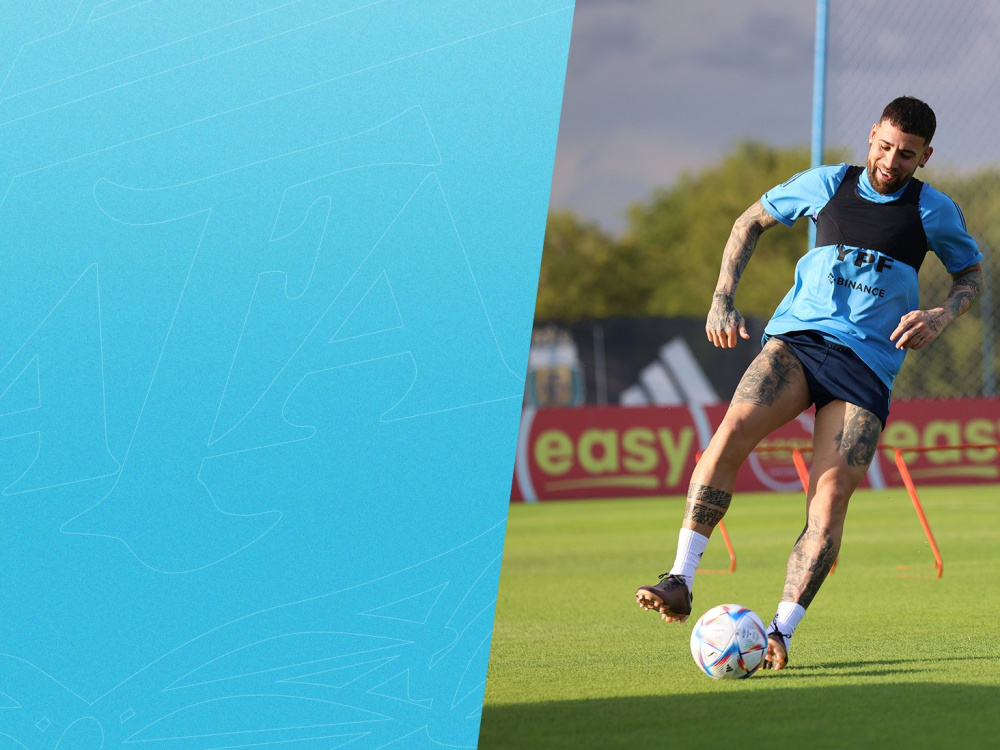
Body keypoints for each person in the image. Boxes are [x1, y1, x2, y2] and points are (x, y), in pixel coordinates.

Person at [634, 96, 984, 670]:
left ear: (925, 157)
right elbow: (748, 221)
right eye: (885, 146)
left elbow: (970, 273)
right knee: (731, 433)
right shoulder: (826, 184)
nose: (890, 161)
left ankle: (781, 631)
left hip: (866, 367)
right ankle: (679, 578)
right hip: (799, 342)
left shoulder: (933, 211)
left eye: (906, 154)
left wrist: (941, 315)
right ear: (872, 135)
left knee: (830, 496)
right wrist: (722, 298)